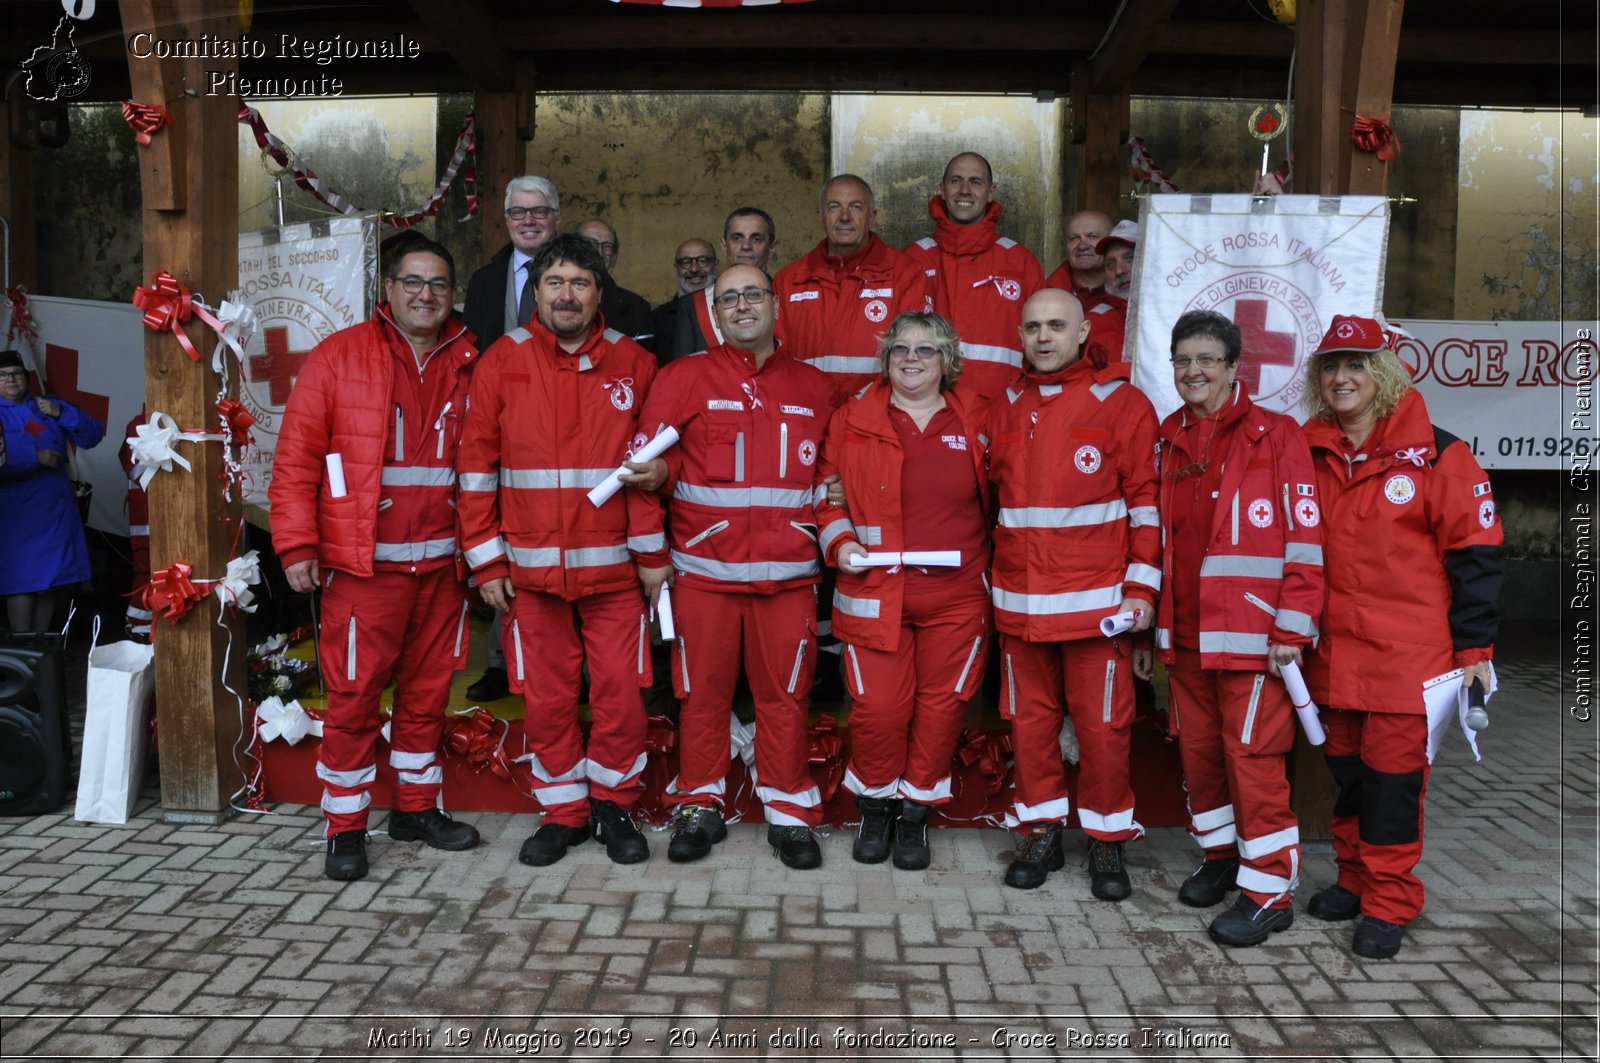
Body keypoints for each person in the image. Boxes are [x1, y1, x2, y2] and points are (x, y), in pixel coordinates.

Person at [269, 238, 482, 881]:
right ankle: (345, 826)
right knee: (355, 697)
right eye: (413, 281)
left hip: (444, 570)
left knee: (427, 694)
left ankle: (415, 808)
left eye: (439, 284)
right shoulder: (340, 357)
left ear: (453, 294)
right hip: (365, 571)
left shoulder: (473, 360)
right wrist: (297, 543)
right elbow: (297, 458)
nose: (426, 295)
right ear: (387, 289)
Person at [456, 233, 667, 868]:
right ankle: (564, 811)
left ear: (600, 293)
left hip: (616, 573)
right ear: (536, 292)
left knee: (620, 694)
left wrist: (653, 549)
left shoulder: (635, 363)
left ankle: (613, 804)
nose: (567, 294)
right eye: (555, 282)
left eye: (580, 282)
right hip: (529, 571)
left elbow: (655, 465)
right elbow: (475, 469)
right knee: (545, 697)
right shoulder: (502, 360)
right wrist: (487, 561)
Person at [1299, 314, 1502, 960]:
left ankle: (1390, 899)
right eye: (1330, 366)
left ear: (1384, 372)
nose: (1342, 377)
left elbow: (1476, 558)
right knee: (1349, 777)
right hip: (1332, 657)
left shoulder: (1442, 454)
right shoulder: (1306, 451)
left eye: (1356, 364)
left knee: (1392, 786)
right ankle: (1355, 879)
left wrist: (1475, 654)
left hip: (1406, 663)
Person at [634, 264, 836, 870]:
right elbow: (640, 473)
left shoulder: (816, 388)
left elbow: (834, 481)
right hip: (703, 578)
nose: (742, 305)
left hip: (789, 579)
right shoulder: (682, 379)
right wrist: (650, 556)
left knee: (786, 697)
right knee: (699, 696)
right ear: (714, 315)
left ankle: (789, 812)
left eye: (753, 294)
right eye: (729, 299)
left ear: (777, 306)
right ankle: (699, 804)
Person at [1137, 310, 1322, 947]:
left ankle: (1270, 890)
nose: (1193, 371)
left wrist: (1291, 629)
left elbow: (1305, 541)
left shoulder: (1277, 435)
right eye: (1183, 359)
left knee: (1254, 763)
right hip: (1184, 635)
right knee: (1201, 758)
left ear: (1233, 366)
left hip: (1253, 640)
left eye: (1206, 360)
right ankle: (1221, 858)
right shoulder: (1167, 437)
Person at [986, 289, 1160, 897]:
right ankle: (1041, 831)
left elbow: (1147, 507)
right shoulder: (1005, 403)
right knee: (1029, 726)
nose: (1043, 337)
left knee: (1104, 730)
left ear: (1084, 331)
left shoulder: (1124, 403)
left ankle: (1108, 843)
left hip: (1098, 610)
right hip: (1019, 608)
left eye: (1056, 325)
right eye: (1032, 326)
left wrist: (1141, 593)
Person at [814, 311, 991, 870]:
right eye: (900, 349)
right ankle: (876, 805)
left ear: (948, 361)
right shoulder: (853, 419)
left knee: (943, 709)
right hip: (874, 594)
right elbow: (828, 494)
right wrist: (840, 544)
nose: (912, 358)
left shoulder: (980, 419)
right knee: (879, 710)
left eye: (927, 349)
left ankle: (915, 812)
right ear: (885, 357)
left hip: (958, 598)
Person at [460, 174, 564, 702]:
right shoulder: (484, 281)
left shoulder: (579, 274)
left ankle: (570, 671)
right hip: (501, 433)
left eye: (539, 211)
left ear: (556, 217)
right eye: (519, 212)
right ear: (506, 219)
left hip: (568, 434)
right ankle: (501, 664)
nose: (529, 221)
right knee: (501, 546)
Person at [774, 173, 931, 407]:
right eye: (834, 207)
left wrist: (863, 409)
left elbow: (913, 359)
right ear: (820, 217)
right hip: (807, 414)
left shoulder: (904, 273)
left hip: (878, 417)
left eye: (856, 207)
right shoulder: (789, 280)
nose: (845, 217)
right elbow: (777, 362)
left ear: (872, 217)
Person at [902, 152, 1044, 400]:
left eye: (975, 182)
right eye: (956, 180)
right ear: (942, 189)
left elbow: (1045, 345)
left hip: (1003, 411)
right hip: (928, 411)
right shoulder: (913, 259)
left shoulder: (1020, 262)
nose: (964, 190)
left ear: (991, 192)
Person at [0, 349, 104, 634]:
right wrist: (34, 458)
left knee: (50, 582)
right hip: (17, 512)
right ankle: (24, 647)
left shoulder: (46, 405)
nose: (12, 379)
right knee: (22, 582)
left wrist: (61, 412)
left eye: (17, 374)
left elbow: (94, 435)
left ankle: (43, 644)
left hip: (55, 508)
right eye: (4, 375)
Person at [654, 208, 778, 364]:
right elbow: (683, 375)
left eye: (756, 239)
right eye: (737, 238)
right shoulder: (694, 305)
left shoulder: (787, 295)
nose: (746, 246)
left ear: (772, 248)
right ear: (724, 246)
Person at [575, 217, 656, 348]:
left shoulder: (638, 309)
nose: (598, 252)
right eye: (590, 243)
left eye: (607, 247)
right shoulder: (555, 297)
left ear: (613, 258)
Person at [1080, 219, 1136, 368]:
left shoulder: (1176, 309)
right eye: (1110, 264)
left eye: (1130, 258)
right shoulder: (1093, 321)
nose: (1119, 270)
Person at [1044, 209, 1112, 297]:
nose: (1082, 246)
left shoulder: (1130, 288)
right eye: (1074, 238)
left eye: (1092, 236)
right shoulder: (1049, 292)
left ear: (1111, 243)